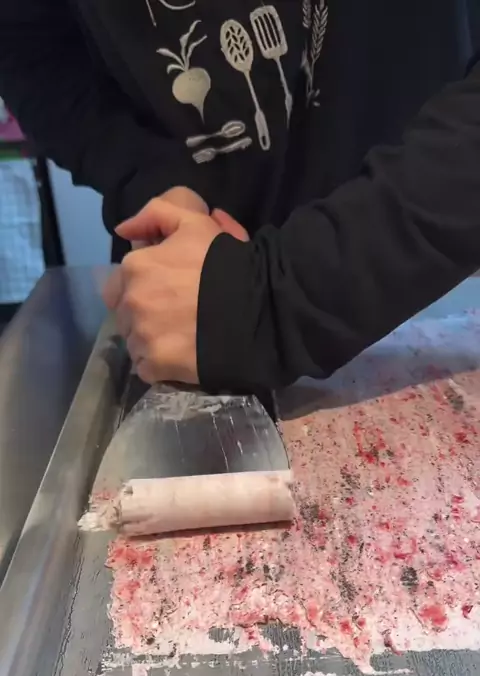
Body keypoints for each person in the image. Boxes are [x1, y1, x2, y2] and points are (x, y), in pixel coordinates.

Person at [1, 1, 479, 392]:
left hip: (426, 297)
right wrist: (150, 177)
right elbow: (26, 43)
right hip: (181, 308)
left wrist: (275, 298)